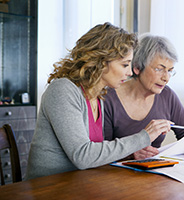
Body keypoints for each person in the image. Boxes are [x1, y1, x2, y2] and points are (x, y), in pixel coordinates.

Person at [25, 23, 172, 180]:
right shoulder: (62, 90)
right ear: (102, 61)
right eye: (124, 65)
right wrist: (144, 137)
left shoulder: (99, 96)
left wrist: (131, 153)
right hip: (47, 188)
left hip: (81, 184)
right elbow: (83, 156)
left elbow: (97, 153)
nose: (129, 72)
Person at [104, 33, 184, 160]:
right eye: (159, 69)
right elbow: (100, 150)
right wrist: (130, 154)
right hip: (114, 175)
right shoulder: (108, 98)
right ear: (137, 67)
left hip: (155, 173)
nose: (166, 78)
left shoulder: (167, 95)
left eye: (169, 71)